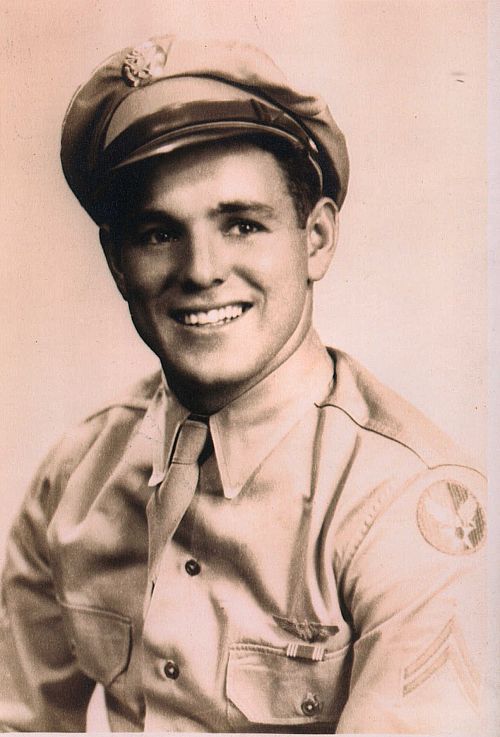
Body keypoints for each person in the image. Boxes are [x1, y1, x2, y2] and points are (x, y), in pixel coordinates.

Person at [0, 34, 486, 734]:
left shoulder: (406, 504)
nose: (201, 270)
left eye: (242, 225)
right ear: (116, 261)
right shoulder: (74, 479)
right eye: (158, 233)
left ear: (316, 238)